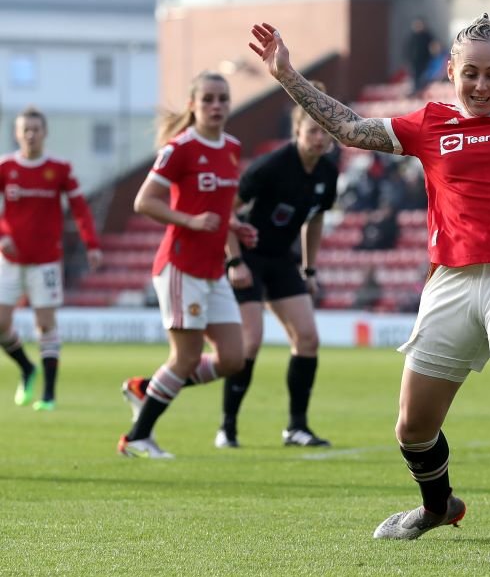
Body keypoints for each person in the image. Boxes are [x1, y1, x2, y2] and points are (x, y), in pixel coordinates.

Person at [248, 14, 490, 542]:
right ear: (451, 69)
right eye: (470, 73)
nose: (481, 86)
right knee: (412, 427)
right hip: (451, 284)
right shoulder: (428, 123)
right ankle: (437, 507)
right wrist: (286, 75)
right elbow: (347, 128)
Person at [118, 72, 257, 459]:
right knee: (186, 358)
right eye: (208, 99)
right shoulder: (179, 148)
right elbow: (144, 201)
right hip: (181, 266)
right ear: (193, 104)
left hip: (212, 269)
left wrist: (234, 226)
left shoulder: (231, 146)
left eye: (223, 99)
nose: (216, 106)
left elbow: (220, 206)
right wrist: (190, 221)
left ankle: (146, 389)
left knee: (233, 358)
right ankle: (137, 438)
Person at [218, 97, 339, 449]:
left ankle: (296, 428)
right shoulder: (271, 166)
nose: (320, 138)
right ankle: (227, 427)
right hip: (249, 257)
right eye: (312, 130)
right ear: (297, 131)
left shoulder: (328, 173)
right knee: (249, 343)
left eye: (325, 131)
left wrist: (310, 268)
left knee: (308, 338)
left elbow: (314, 220)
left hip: (282, 261)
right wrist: (234, 260)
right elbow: (228, 211)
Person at [0, 106, 103, 411]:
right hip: (9, 259)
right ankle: (27, 368)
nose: (31, 134)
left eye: (36, 129)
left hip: (45, 260)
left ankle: (48, 394)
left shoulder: (59, 169)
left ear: (45, 133)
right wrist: (2, 234)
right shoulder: (5, 167)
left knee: (45, 324)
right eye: (25, 130)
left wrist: (92, 245)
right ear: (18, 134)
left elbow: (81, 208)